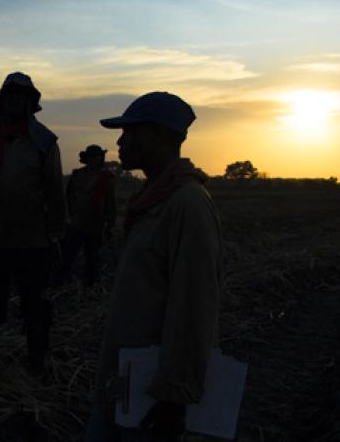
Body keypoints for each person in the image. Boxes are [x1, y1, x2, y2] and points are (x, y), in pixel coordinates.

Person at [85, 92, 222, 441]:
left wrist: (174, 393)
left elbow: (194, 306)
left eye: (130, 131)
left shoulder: (188, 204)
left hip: (150, 391)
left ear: (159, 136)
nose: (120, 141)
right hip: (125, 378)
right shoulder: (153, 198)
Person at [0, 72, 66, 375]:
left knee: (35, 309)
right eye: (11, 96)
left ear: (30, 103)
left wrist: (56, 235)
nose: (16, 101)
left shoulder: (45, 142)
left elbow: (55, 193)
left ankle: (37, 365)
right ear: (3, 101)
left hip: (33, 240)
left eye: (22, 97)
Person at [54, 144, 115, 288]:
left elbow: (110, 202)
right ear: (86, 158)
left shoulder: (106, 178)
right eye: (92, 157)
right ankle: (61, 282)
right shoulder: (77, 175)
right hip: (77, 221)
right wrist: (68, 215)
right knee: (68, 254)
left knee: (92, 257)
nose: (95, 160)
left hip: (96, 223)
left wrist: (110, 223)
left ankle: (90, 286)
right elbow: (68, 196)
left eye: (97, 157)